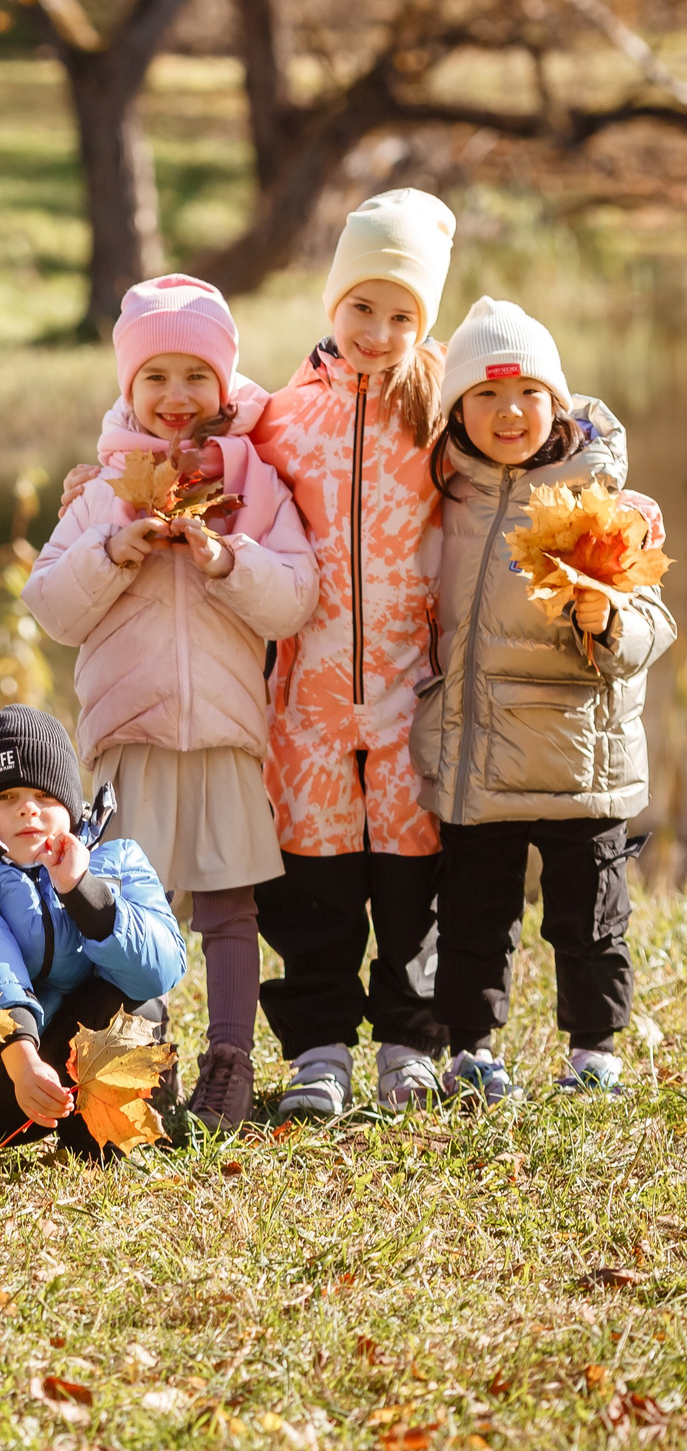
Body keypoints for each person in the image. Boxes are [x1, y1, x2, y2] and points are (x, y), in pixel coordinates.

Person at [22, 276, 315, 1130]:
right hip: (131, 726)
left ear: (224, 383)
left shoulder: (252, 481)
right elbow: (50, 607)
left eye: (196, 375)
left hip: (225, 726)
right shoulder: (105, 487)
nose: (177, 396)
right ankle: (134, 1058)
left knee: (227, 901)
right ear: (128, 388)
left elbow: (296, 595)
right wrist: (115, 549)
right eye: (156, 377)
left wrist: (229, 561)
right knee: (122, 902)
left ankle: (230, 1059)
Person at [413, 300, 672, 1101]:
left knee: (589, 916)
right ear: (457, 408)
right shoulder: (444, 495)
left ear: (556, 402)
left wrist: (612, 619)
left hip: (580, 752)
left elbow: (656, 623)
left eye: (527, 392)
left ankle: (595, 1052)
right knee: (474, 913)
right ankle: (472, 1052)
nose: (508, 412)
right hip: (477, 748)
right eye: (485, 396)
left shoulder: (603, 499)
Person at [249, 189, 458, 1117]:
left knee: (415, 876)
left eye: (403, 314)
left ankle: (411, 1041)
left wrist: (607, 476)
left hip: (414, 686)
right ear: (333, 302)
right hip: (309, 691)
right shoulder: (283, 418)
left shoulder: (449, 409)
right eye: (363, 307)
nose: (380, 330)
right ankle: (320, 1047)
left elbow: (547, 429)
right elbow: (188, 456)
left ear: (427, 321)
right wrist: (100, 474)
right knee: (315, 878)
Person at [0, 706, 186, 1158]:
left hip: (56, 1078)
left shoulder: (118, 860)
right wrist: (22, 1055)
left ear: (70, 809)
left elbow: (161, 968)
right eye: (5, 797)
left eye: (43, 796)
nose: (27, 807)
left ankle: (96, 1135)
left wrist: (82, 893)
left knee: (136, 999)